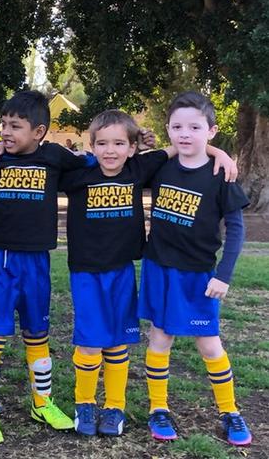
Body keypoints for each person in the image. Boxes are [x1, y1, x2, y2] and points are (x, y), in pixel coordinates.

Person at [60, 110, 235, 437]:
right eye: (102, 144)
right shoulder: (76, 175)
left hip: (124, 270)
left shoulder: (139, 168)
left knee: (118, 343)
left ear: (132, 148)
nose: (110, 150)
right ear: (91, 145)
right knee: (89, 342)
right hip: (85, 272)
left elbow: (182, 147)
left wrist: (218, 151)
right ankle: (84, 402)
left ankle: (115, 405)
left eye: (118, 143)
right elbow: (40, 160)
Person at [0, 90, 97, 444]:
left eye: (15, 126)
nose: (6, 132)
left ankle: (42, 402)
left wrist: (89, 154)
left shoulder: (54, 157)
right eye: (3, 125)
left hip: (38, 260)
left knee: (37, 332)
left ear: (40, 131)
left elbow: (89, 164)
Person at [139, 91, 252, 446]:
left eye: (194, 127)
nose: (184, 134)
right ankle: (158, 408)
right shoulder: (161, 166)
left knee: (210, 344)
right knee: (160, 338)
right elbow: (131, 164)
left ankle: (230, 411)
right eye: (176, 126)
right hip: (159, 267)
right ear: (168, 130)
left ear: (212, 130)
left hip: (200, 274)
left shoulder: (221, 174)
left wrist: (223, 275)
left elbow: (236, 229)